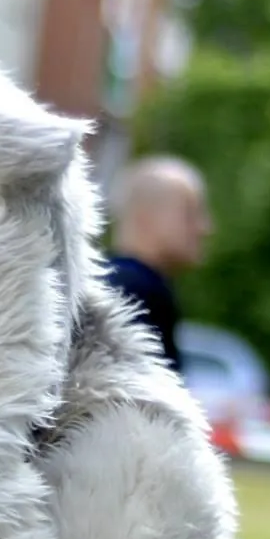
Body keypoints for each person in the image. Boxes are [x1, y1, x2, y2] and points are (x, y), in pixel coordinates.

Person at [101, 154, 213, 374]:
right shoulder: (136, 292)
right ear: (146, 218)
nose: (204, 227)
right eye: (189, 213)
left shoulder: (112, 283)